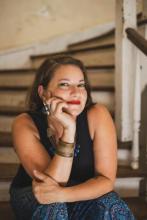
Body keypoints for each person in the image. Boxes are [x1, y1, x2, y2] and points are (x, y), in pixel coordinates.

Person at [9, 56, 135, 220]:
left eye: (81, 85)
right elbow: (49, 188)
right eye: (65, 84)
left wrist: (64, 194)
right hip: (35, 196)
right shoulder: (24, 123)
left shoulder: (98, 114)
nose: (76, 92)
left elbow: (106, 181)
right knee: (54, 207)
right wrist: (68, 131)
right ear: (43, 92)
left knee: (111, 203)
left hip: (79, 193)